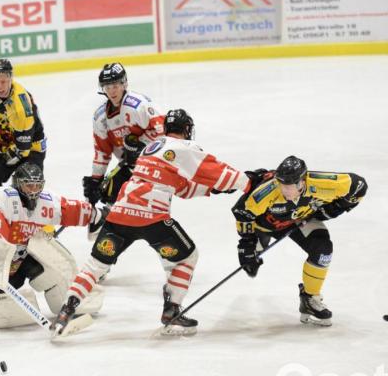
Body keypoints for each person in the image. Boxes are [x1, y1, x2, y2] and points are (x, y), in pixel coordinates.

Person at [52, 109, 253, 337]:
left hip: (118, 214)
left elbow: (180, 186)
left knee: (95, 265)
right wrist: (248, 183)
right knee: (187, 257)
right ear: (187, 129)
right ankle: (172, 311)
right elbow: (217, 171)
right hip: (151, 219)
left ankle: (65, 312)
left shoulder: (152, 148)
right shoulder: (184, 147)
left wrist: (212, 190)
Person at [0, 163, 105, 328]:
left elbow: (69, 209)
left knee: (43, 256)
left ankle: (64, 301)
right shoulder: (5, 197)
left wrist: (97, 214)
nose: (34, 192)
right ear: (17, 184)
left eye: (37, 186)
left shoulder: (45, 201)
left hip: (15, 258)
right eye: (29, 186)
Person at [231, 155, 368, 326]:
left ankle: (310, 299)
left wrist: (334, 209)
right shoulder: (268, 191)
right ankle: (257, 246)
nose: (285, 190)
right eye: (282, 185)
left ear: (302, 181)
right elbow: (242, 212)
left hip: (299, 221)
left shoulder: (321, 183)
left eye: (289, 186)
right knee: (249, 265)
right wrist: (246, 244)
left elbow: (359, 186)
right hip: (263, 227)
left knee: (323, 250)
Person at [82, 62, 165, 209]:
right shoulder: (100, 117)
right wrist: (96, 179)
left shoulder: (138, 105)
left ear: (124, 84)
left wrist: (141, 147)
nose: (112, 91)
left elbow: (161, 131)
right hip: (129, 166)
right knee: (108, 194)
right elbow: (102, 151)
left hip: (154, 165)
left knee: (146, 206)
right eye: (107, 87)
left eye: (115, 86)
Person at [0, 59, 47, 220]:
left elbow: (21, 150)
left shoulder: (21, 107)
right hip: (4, 143)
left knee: (29, 186)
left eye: (4, 82)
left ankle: (42, 226)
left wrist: (0, 169)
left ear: (11, 79)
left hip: (29, 147)